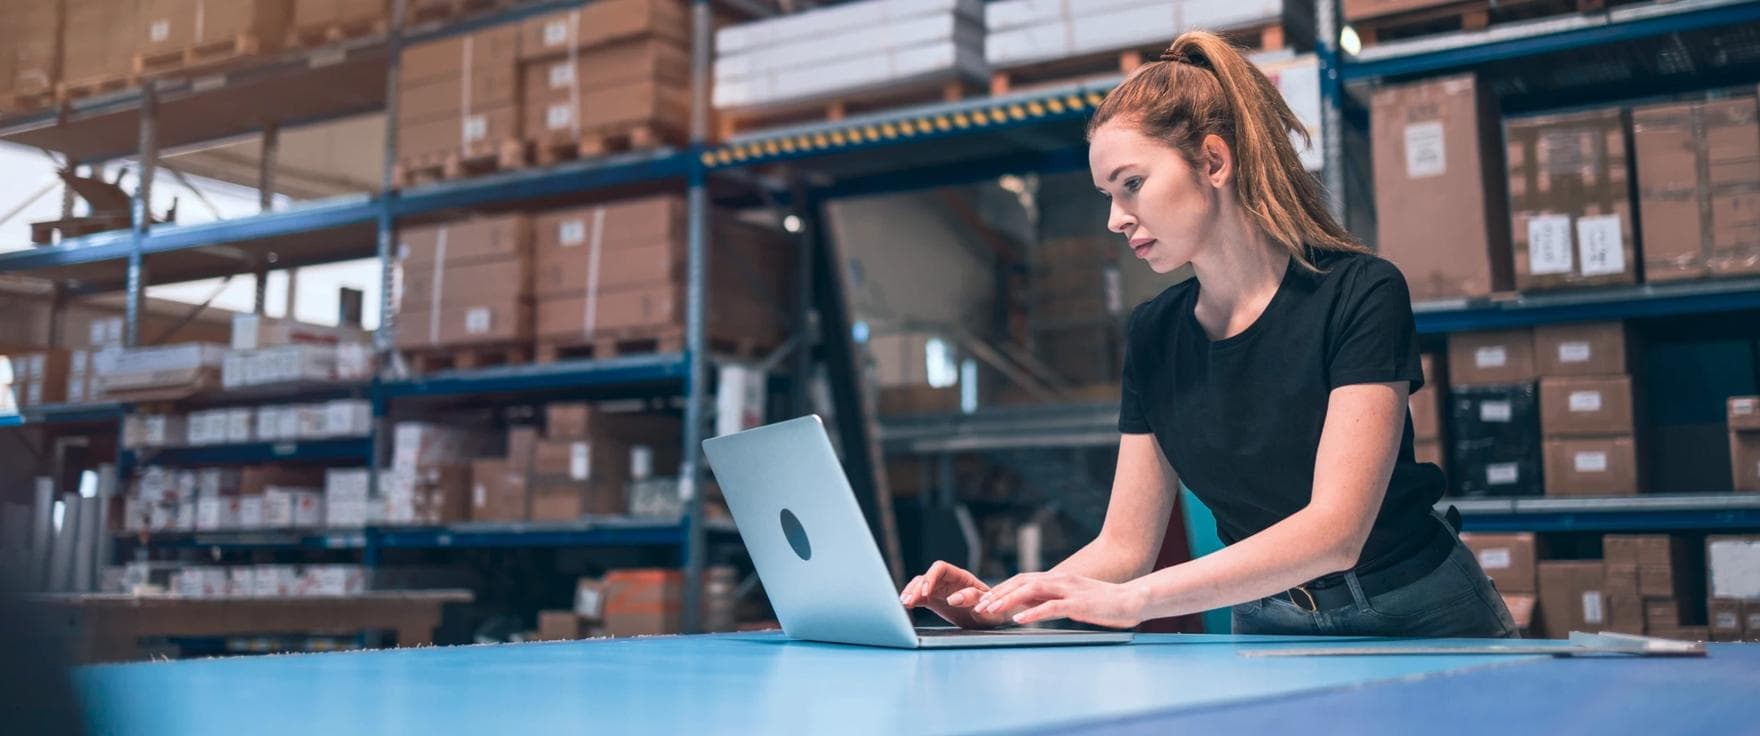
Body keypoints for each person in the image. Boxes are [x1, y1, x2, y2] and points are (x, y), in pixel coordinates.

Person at [899, 30, 1517, 638]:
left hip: (1418, 612)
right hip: (1269, 620)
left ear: (1213, 161)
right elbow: (1123, 546)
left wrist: (1136, 601)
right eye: (1107, 195)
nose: (1116, 219)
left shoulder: (1360, 292)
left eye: (1131, 184)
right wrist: (1005, 604)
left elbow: (1337, 532)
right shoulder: (1154, 333)